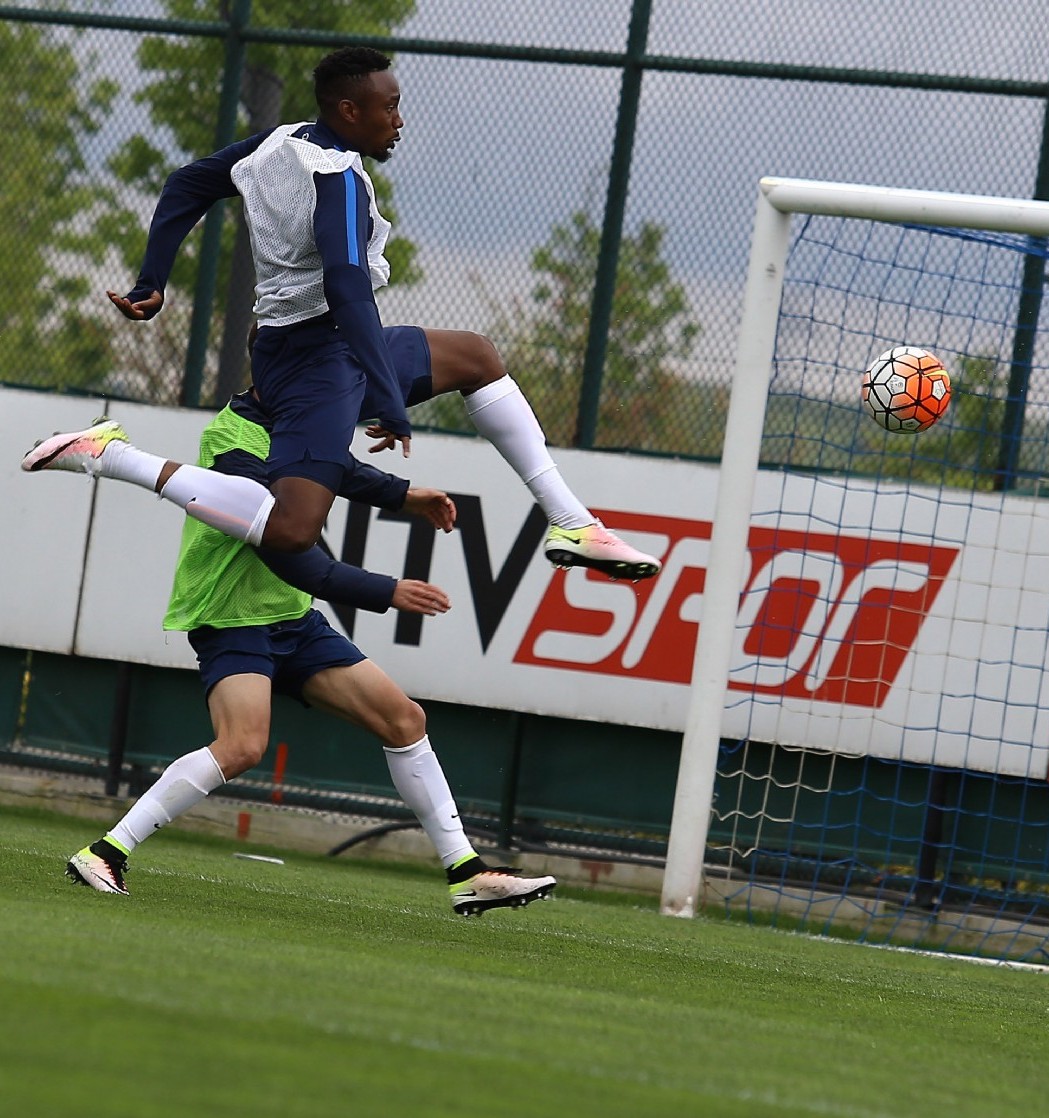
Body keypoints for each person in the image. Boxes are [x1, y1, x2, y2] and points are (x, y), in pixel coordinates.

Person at [23, 45, 657, 581]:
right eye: (389, 108)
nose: (399, 121)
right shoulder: (340, 180)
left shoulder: (280, 143)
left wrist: (151, 280)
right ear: (349, 111)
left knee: (476, 356)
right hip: (317, 363)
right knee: (294, 530)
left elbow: (185, 183)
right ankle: (110, 455)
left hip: (320, 344)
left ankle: (573, 522)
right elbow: (348, 289)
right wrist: (388, 398)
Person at [66, 390, 557, 917]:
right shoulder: (231, 438)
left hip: (292, 618)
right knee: (242, 746)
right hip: (231, 615)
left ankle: (466, 872)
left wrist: (402, 494)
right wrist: (383, 590)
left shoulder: (299, 414)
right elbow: (275, 536)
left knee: (404, 720)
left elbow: (333, 465)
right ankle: (105, 852)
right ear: (280, 368)